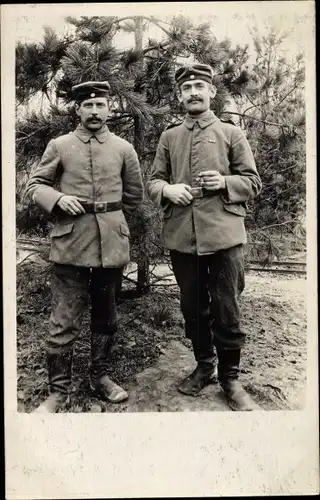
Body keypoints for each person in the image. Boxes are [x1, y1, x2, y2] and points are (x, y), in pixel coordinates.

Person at [147, 64, 262, 411]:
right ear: (179, 95)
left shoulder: (231, 133)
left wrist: (225, 183)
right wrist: (168, 189)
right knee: (192, 307)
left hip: (224, 236)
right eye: (187, 88)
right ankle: (204, 366)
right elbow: (153, 181)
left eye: (200, 86)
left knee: (227, 307)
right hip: (183, 236)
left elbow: (253, 182)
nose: (193, 92)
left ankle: (231, 378)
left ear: (212, 92)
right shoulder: (169, 137)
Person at [26, 81, 144, 413]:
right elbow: (35, 186)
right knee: (64, 318)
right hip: (71, 244)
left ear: (109, 109)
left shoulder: (123, 149)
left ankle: (101, 377)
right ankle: (57, 392)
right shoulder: (60, 145)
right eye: (87, 106)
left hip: (111, 247)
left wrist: (111, 223)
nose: (94, 111)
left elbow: (133, 198)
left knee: (106, 315)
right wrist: (58, 198)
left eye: (100, 105)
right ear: (77, 110)